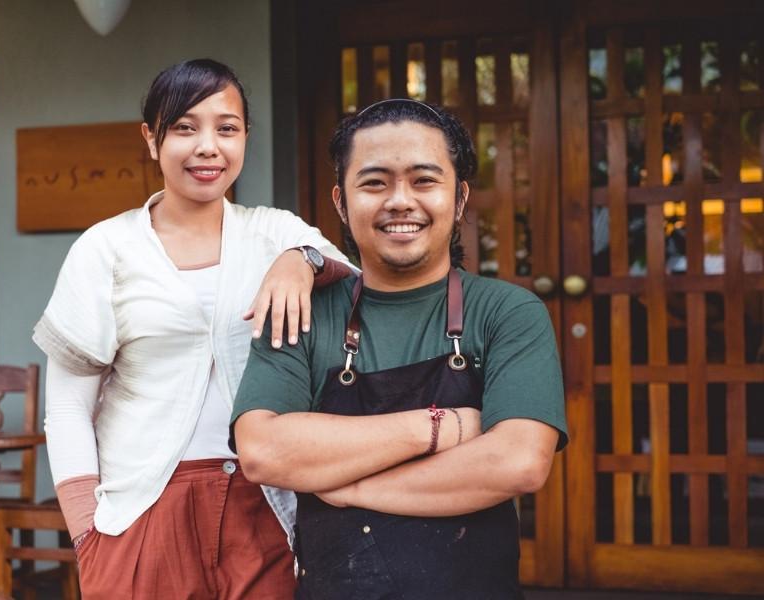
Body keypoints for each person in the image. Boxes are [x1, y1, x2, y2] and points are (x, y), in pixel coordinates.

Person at [33, 59, 352, 599]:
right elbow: (67, 406)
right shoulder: (106, 248)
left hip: (263, 505)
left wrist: (302, 260)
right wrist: (88, 532)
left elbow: (354, 280)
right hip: (142, 507)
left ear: (245, 137)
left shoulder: (275, 232)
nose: (208, 147)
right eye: (185, 128)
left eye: (227, 128)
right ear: (151, 139)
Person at [231, 98, 568, 599]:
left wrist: (353, 488)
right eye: (374, 183)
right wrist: (440, 427)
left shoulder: (507, 312)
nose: (400, 201)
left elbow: (517, 461)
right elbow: (263, 452)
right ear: (341, 203)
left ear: (459, 198)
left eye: (424, 180)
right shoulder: (299, 311)